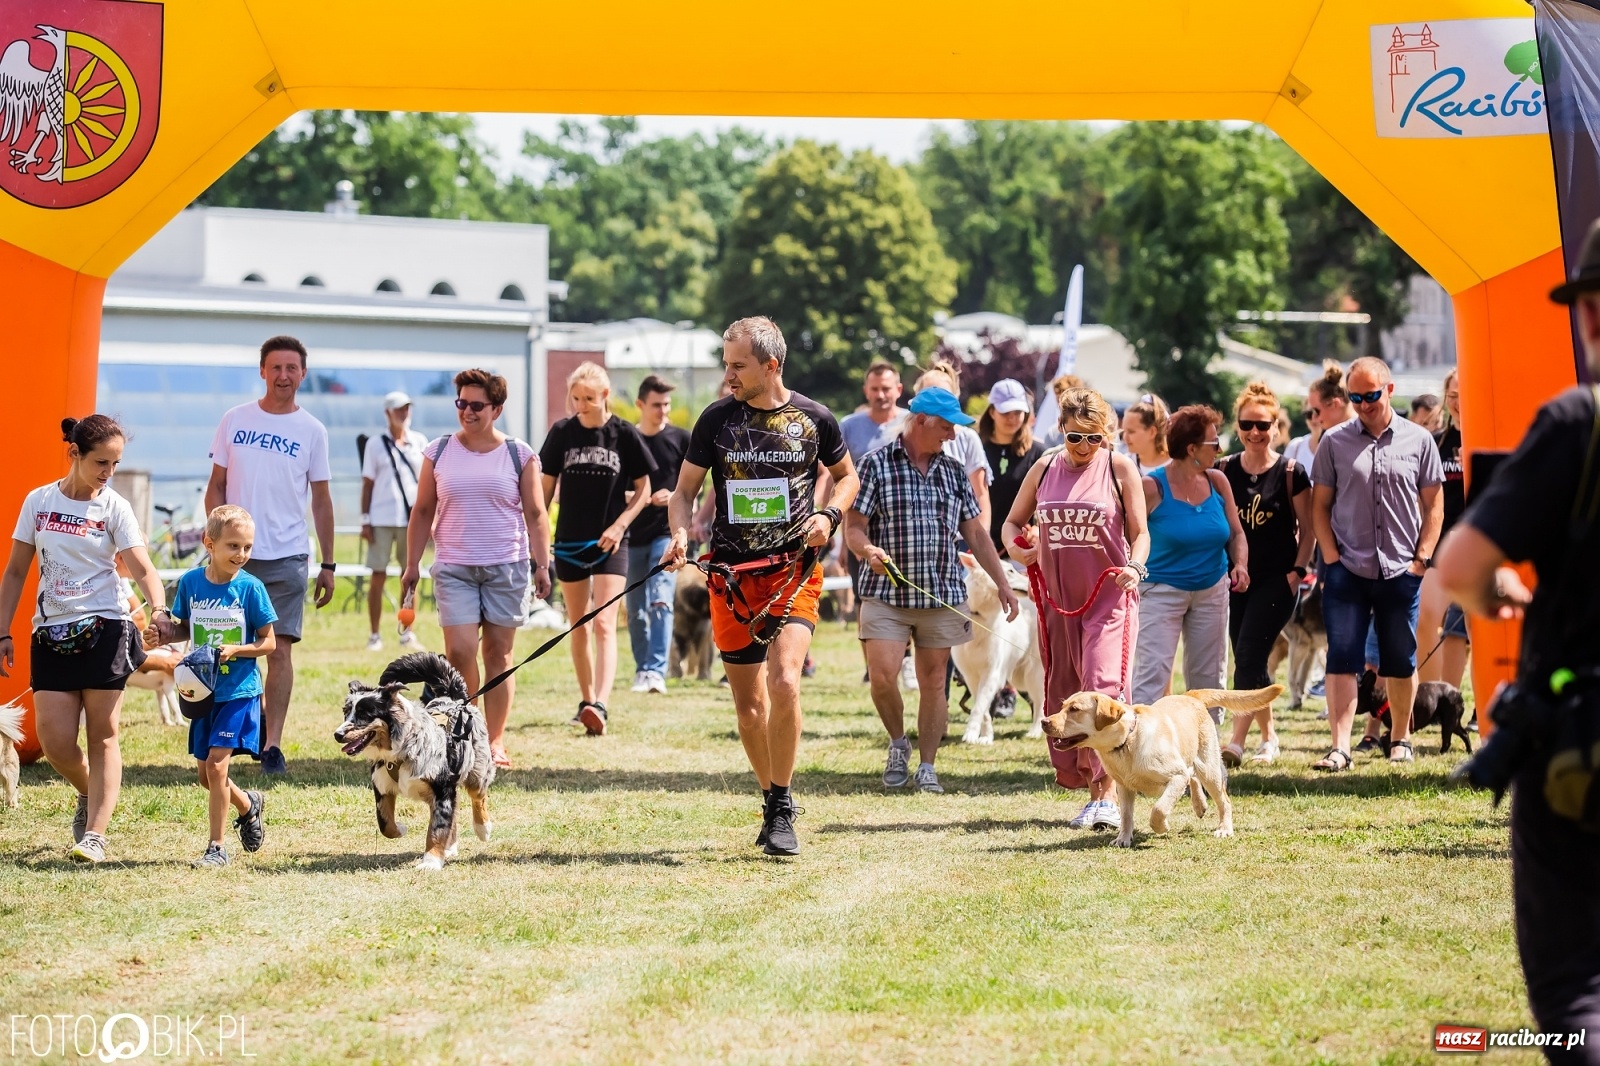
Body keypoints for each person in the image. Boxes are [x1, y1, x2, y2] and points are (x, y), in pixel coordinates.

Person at [1437, 218, 1600, 1063]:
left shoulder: (1580, 422)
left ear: (1593, 316)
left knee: (1579, 984)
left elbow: (1460, 562)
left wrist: (1497, 594)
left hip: (1581, 737)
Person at [662, 316, 858, 856]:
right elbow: (683, 491)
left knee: (786, 681)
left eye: (737, 365)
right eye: (726, 363)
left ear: (771, 365)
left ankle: (783, 799)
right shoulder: (715, 420)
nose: (728, 374)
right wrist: (679, 531)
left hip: (794, 570)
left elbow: (848, 477)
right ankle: (770, 798)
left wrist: (831, 516)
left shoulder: (815, 418)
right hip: (731, 577)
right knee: (749, 704)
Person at [0, 415, 167, 863]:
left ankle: (95, 835)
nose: (107, 472)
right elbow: (16, 571)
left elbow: (143, 567)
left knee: (103, 735)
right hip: (50, 632)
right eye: (100, 462)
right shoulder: (39, 501)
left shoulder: (114, 507)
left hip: (106, 628)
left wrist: (159, 609)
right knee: (54, 742)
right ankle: (89, 791)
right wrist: (2, 630)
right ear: (73, 453)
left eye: (114, 463)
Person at [846, 387, 1019, 794]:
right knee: (884, 676)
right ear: (920, 421)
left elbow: (975, 533)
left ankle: (927, 764)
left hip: (941, 593)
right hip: (885, 592)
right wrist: (866, 549)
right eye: (946, 426)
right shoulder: (874, 465)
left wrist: (1002, 583)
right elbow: (853, 526)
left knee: (933, 680)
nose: (952, 436)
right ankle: (897, 742)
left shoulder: (953, 472)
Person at [1004, 387, 1149, 830]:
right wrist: (1017, 547)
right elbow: (1012, 523)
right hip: (1057, 602)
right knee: (1064, 693)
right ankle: (1091, 787)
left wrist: (1135, 566)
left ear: (1106, 436)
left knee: (1101, 689)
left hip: (1108, 599)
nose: (1084, 447)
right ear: (1062, 431)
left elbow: (1141, 534)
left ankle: (1107, 795)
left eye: (1094, 438)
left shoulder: (1120, 468)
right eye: (1075, 438)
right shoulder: (1045, 466)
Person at [402, 368, 553, 767]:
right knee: (460, 650)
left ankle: (496, 740)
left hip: (507, 565)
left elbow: (537, 514)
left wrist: (543, 564)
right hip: (454, 565)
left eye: (476, 405)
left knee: (499, 655)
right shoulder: (438, 451)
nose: (467, 411)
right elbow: (421, 511)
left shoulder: (520, 455)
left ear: (497, 409)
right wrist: (411, 564)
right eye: (461, 403)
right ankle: (468, 733)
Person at [205, 335, 335, 775]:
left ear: (302, 373)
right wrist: (216, 543)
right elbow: (216, 485)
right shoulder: (234, 420)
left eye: (291, 368)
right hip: (234, 557)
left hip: (287, 557)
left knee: (277, 651)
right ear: (262, 371)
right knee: (225, 649)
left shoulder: (313, 430)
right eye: (275, 367)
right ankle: (223, 732)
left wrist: (329, 563)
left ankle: (272, 743)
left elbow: (321, 500)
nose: (283, 376)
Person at [1309, 356, 1444, 770]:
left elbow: (1434, 506)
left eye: (1371, 395)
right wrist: (1331, 558)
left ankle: (1400, 738)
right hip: (1347, 568)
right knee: (1342, 658)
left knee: (1400, 659)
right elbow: (1320, 507)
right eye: (1356, 396)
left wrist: (1421, 560)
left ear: (1389, 389)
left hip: (1401, 569)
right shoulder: (1334, 441)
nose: (1365, 404)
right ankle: (1340, 746)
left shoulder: (1419, 440)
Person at [147, 505, 275, 868]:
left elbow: (270, 643)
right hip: (201, 690)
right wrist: (161, 633)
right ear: (209, 543)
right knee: (206, 776)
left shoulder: (251, 588)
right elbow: (184, 628)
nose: (242, 554)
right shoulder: (191, 583)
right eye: (233, 546)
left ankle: (216, 848)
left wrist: (238, 649)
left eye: (247, 546)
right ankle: (249, 805)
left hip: (239, 691)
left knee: (218, 768)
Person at [540, 362, 655, 733]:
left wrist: (620, 525)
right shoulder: (561, 433)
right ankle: (587, 700)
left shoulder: (623, 434)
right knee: (579, 625)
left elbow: (644, 489)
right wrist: (538, 535)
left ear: (605, 395)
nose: (581, 405)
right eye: (576, 398)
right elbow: (543, 493)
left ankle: (601, 704)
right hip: (570, 541)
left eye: (589, 398)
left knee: (604, 622)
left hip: (611, 541)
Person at [1215, 383, 1313, 764]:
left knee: (1249, 654)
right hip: (1235, 579)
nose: (1255, 432)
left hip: (1277, 579)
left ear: (1277, 426)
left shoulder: (1291, 472)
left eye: (1263, 424)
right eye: (1247, 424)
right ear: (1238, 427)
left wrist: (1298, 571)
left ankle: (1236, 741)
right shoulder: (1223, 470)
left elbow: (1309, 529)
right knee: (1250, 657)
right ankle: (1269, 736)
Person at [1132, 405, 1248, 714]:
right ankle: (1142, 749)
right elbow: (1127, 536)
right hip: (1159, 591)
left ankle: (1204, 751)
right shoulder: (1151, 487)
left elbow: (1236, 533)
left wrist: (1241, 565)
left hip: (1212, 591)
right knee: (1152, 675)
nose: (1220, 449)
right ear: (1192, 448)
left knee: (1208, 680)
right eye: (1214, 443)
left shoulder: (1217, 481)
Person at [627, 375, 690, 696]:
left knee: (661, 598)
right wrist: (633, 496)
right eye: (656, 405)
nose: (663, 411)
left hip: (665, 533)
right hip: (630, 535)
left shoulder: (681, 440)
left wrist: (674, 494)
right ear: (640, 405)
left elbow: (693, 486)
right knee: (636, 607)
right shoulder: (626, 439)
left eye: (666, 404)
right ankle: (642, 670)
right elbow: (612, 487)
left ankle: (656, 671)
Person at [360, 390, 428, 652]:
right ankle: (375, 634)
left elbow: (425, 482)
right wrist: (365, 520)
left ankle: (406, 631)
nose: (404, 413)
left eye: (407, 408)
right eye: (399, 409)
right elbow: (368, 483)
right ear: (388, 412)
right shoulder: (375, 444)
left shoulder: (420, 441)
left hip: (411, 520)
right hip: (381, 518)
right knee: (377, 576)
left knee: (410, 577)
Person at [1418, 368, 1469, 689]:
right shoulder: (1435, 442)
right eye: (1452, 396)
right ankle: (1430, 696)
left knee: (1460, 632)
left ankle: (1454, 700)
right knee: (1426, 617)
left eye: (1465, 395)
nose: (1459, 403)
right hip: (1439, 544)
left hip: (1478, 545)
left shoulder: (1490, 436)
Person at [977, 378, 1046, 556]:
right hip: (979, 549)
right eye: (1006, 412)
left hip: (1023, 550)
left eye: (1018, 412)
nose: (1012, 418)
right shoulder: (975, 447)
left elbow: (1048, 500)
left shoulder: (1039, 453)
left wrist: (1039, 529)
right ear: (992, 412)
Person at [839, 362, 907, 465]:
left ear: (899, 390)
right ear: (866, 391)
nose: (880, 395)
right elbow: (834, 472)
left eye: (886, 389)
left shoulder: (912, 422)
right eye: (874, 389)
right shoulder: (848, 427)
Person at [1119, 393, 1171, 474]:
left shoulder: (1177, 466)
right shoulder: (1122, 466)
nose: (1125, 437)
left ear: (1152, 432)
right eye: (1124, 431)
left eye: (1131, 432)